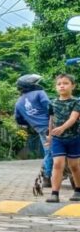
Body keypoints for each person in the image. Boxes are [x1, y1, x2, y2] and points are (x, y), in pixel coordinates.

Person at [45, 74, 80, 203]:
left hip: (74, 138)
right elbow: (51, 120)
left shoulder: (77, 102)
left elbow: (73, 118)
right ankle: (54, 193)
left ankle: (78, 190)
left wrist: (63, 128)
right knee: (58, 164)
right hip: (58, 139)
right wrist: (49, 136)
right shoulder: (52, 103)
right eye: (59, 84)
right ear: (56, 87)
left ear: (73, 86)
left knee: (74, 166)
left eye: (65, 83)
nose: (62, 86)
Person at [14, 74, 52, 184]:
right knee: (52, 152)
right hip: (51, 126)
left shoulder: (18, 102)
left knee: (48, 151)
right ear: (30, 85)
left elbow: (19, 119)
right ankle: (46, 176)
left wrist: (33, 122)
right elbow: (50, 108)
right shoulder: (40, 93)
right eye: (36, 83)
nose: (38, 84)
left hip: (39, 129)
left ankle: (48, 176)